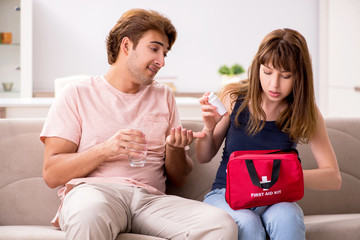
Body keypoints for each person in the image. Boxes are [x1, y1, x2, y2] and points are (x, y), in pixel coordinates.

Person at [40, 8, 237, 240]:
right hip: (95, 194)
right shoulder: (77, 93)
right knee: (89, 215)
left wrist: (173, 149)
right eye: (154, 48)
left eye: (165, 53)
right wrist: (106, 149)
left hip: (149, 200)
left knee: (221, 225)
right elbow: (51, 173)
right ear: (126, 46)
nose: (161, 61)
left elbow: (180, 178)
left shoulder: (163, 96)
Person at [196, 28, 342, 240]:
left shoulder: (305, 111)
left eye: (286, 76)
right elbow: (203, 156)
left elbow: (333, 178)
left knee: (288, 217)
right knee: (247, 222)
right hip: (226, 196)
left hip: (274, 199)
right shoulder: (234, 96)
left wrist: (284, 174)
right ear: (257, 69)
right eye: (267, 72)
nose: (274, 84)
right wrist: (208, 128)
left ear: (299, 77)